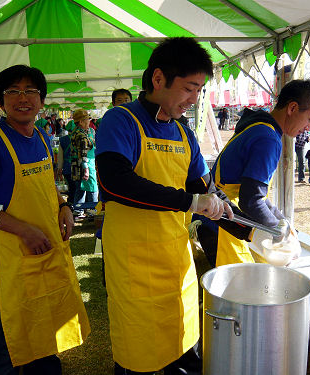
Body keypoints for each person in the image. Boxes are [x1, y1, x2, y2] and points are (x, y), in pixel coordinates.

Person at [96, 37, 234, 375]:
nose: (194, 99)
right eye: (189, 88)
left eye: (199, 90)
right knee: (137, 352)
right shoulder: (121, 121)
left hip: (176, 259)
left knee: (183, 342)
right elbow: (116, 182)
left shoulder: (184, 133)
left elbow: (202, 184)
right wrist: (191, 202)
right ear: (158, 79)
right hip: (134, 263)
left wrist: (226, 207)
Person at [0, 65, 90, 374]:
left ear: (41, 99)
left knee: (47, 327)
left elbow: (48, 183)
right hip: (18, 259)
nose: (22, 98)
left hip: (48, 251)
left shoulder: (41, 136)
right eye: (12, 92)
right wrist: (22, 229)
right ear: (1, 102)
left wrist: (64, 205)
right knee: (12, 336)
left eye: (30, 91)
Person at [200, 80, 310, 267]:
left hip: (220, 215)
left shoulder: (258, 126)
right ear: (292, 108)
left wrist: (283, 222)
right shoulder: (268, 138)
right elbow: (251, 200)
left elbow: (255, 192)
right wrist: (278, 232)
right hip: (225, 221)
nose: (308, 128)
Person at [71, 109, 97, 218]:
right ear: (81, 122)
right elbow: (82, 153)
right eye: (87, 120)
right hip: (85, 165)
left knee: (81, 189)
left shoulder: (81, 131)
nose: (89, 122)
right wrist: (86, 169)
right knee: (92, 189)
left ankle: (78, 211)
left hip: (79, 165)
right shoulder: (81, 135)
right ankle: (93, 212)